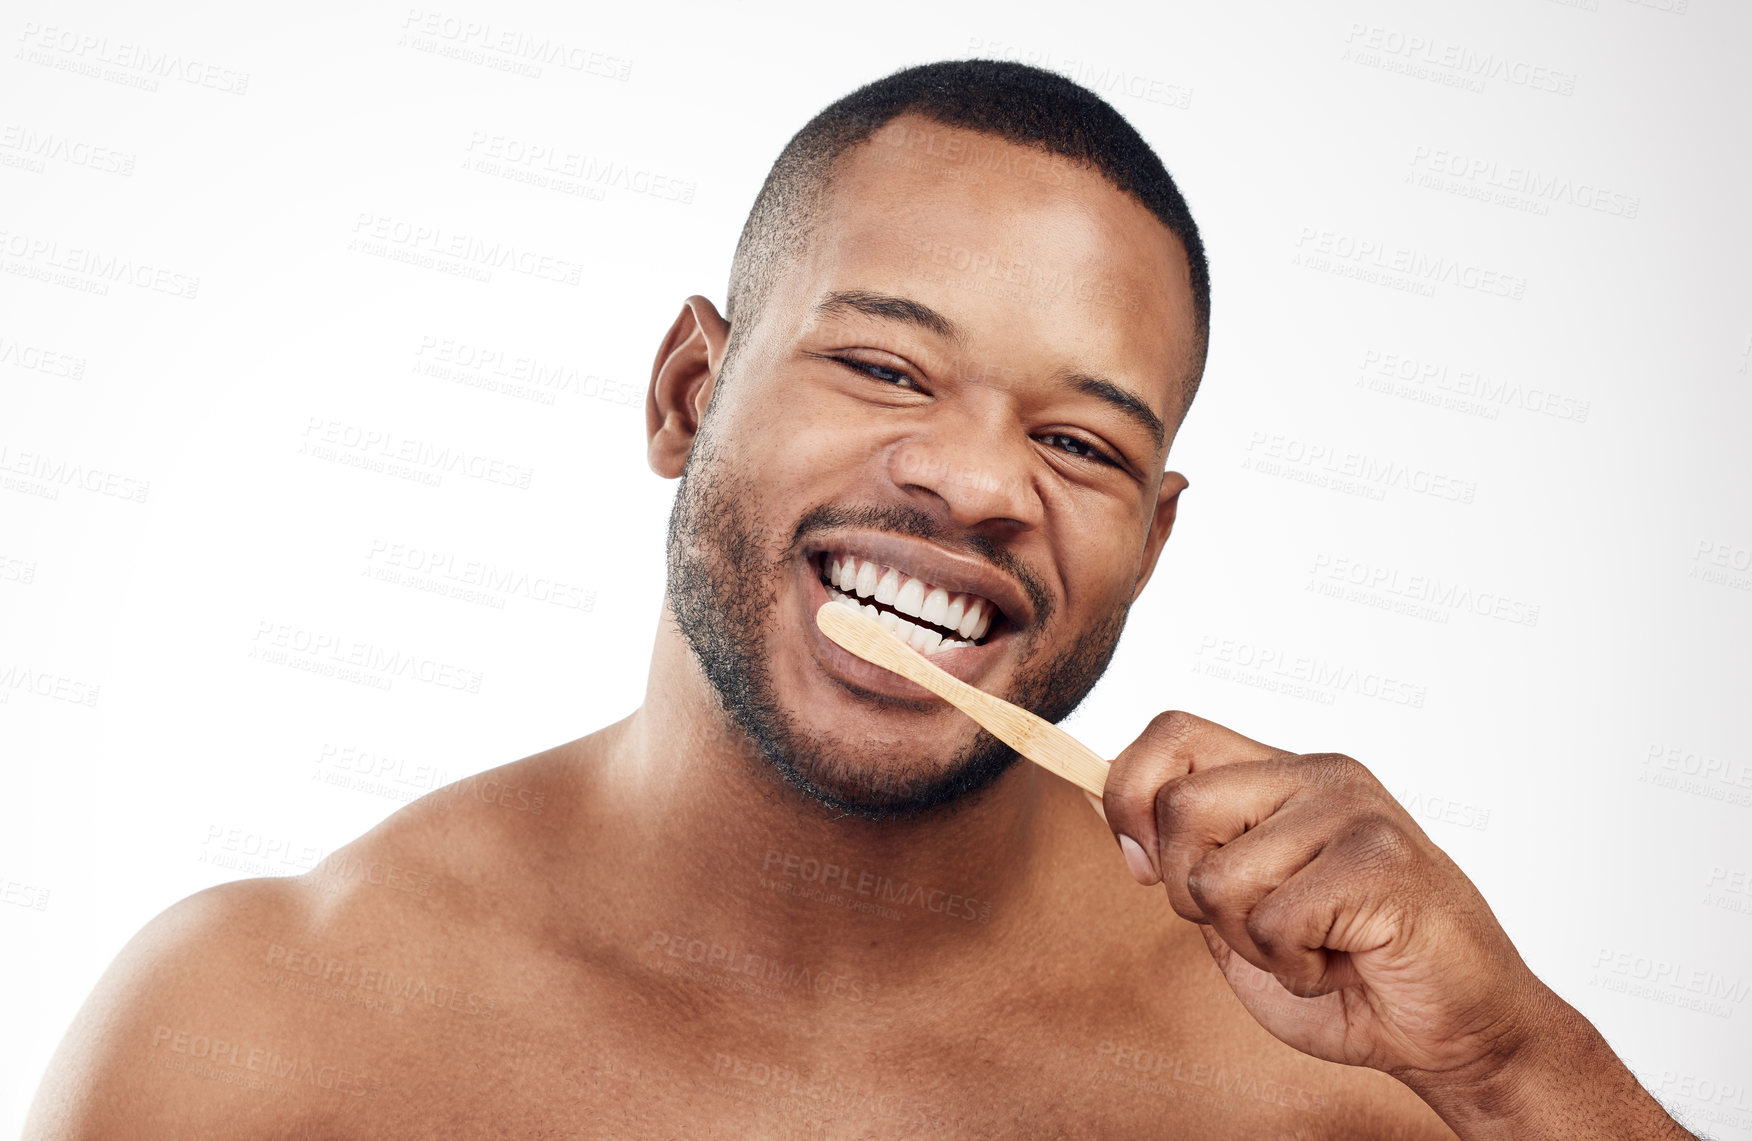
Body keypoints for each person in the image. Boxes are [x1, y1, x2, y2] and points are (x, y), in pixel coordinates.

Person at [26, 59, 1696, 1140]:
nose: (979, 485)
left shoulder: (1356, 1077)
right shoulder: (251, 1036)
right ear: (690, 391)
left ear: (1155, 538)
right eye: (888, 363)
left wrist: (1513, 1064)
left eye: (1079, 440)